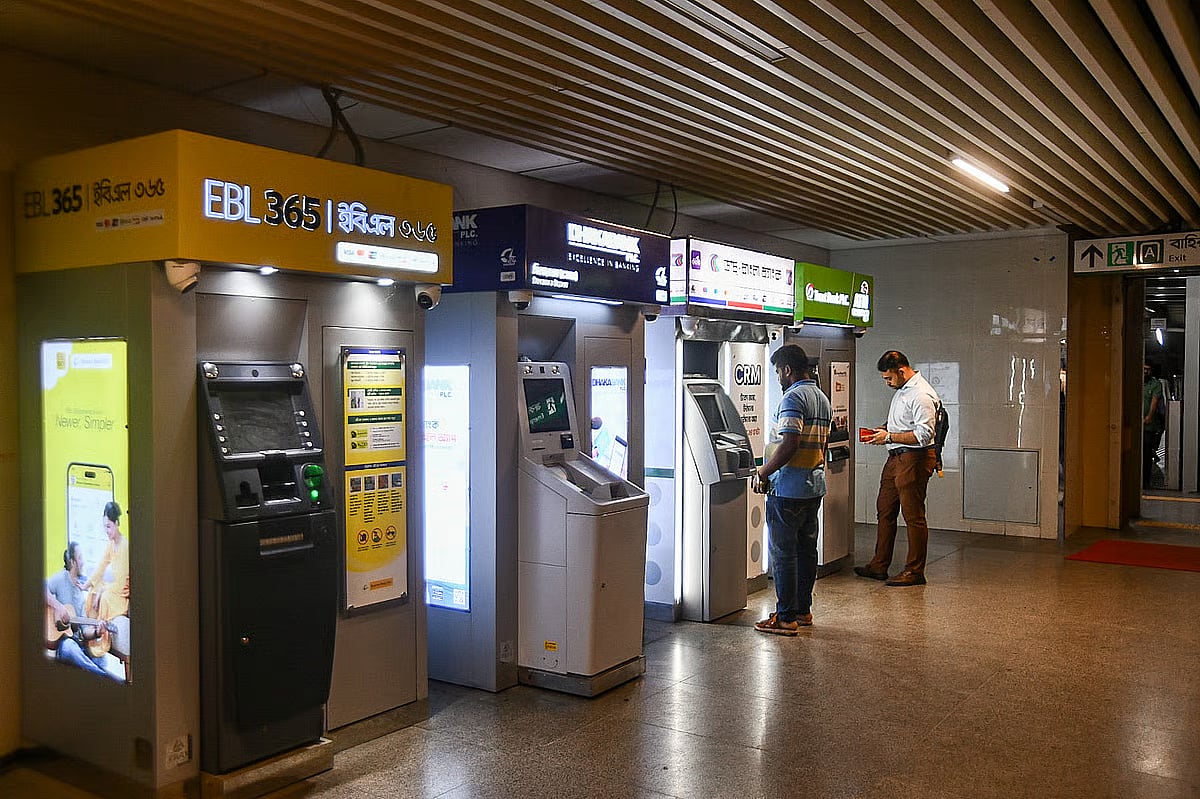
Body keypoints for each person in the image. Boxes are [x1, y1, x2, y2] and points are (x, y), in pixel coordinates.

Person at [752, 345, 831, 635]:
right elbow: (821, 445)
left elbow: (790, 442)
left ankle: (785, 617)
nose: (777, 378)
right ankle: (803, 610)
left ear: (787, 369)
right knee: (806, 551)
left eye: (777, 372)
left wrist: (763, 471)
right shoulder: (822, 399)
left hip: (788, 488)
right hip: (813, 486)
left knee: (783, 553)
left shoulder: (793, 397)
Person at [855, 350, 940, 587]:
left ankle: (915, 571)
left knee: (913, 515)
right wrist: (884, 430)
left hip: (914, 458)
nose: (887, 383)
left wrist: (889, 435)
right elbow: (905, 423)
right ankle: (879, 564)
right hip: (895, 457)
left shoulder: (921, 394)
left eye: (888, 378)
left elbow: (924, 435)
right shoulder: (903, 390)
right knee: (885, 508)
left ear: (901, 371)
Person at [45, 542, 113, 678]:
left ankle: (98, 677)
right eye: (80, 558)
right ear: (72, 561)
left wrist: (97, 632)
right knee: (70, 648)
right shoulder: (60, 578)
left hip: (79, 641)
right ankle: (102, 676)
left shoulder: (82, 588)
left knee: (101, 659)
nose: (83, 562)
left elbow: (84, 631)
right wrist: (58, 606)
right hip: (62, 643)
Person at [86, 501, 129, 621]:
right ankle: (91, 632)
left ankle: (104, 636)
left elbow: (121, 584)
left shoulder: (125, 546)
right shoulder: (111, 544)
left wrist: (103, 590)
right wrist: (87, 584)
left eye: (109, 526)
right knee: (93, 591)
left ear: (116, 523)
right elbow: (102, 565)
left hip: (122, 592)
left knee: (103, 597)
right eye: (105, 526)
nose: (106, 530)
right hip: (114, 588)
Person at [1142, 363, 1165, 488]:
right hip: (1136, 425)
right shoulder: (1135, 382)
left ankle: (1145, 481)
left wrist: (1149, 417)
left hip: (1148, 427)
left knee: (1146, 453)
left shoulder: (1155, 384)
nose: (1145, 372)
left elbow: (1154, 402)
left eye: (1148, 370)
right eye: (1144, 369)